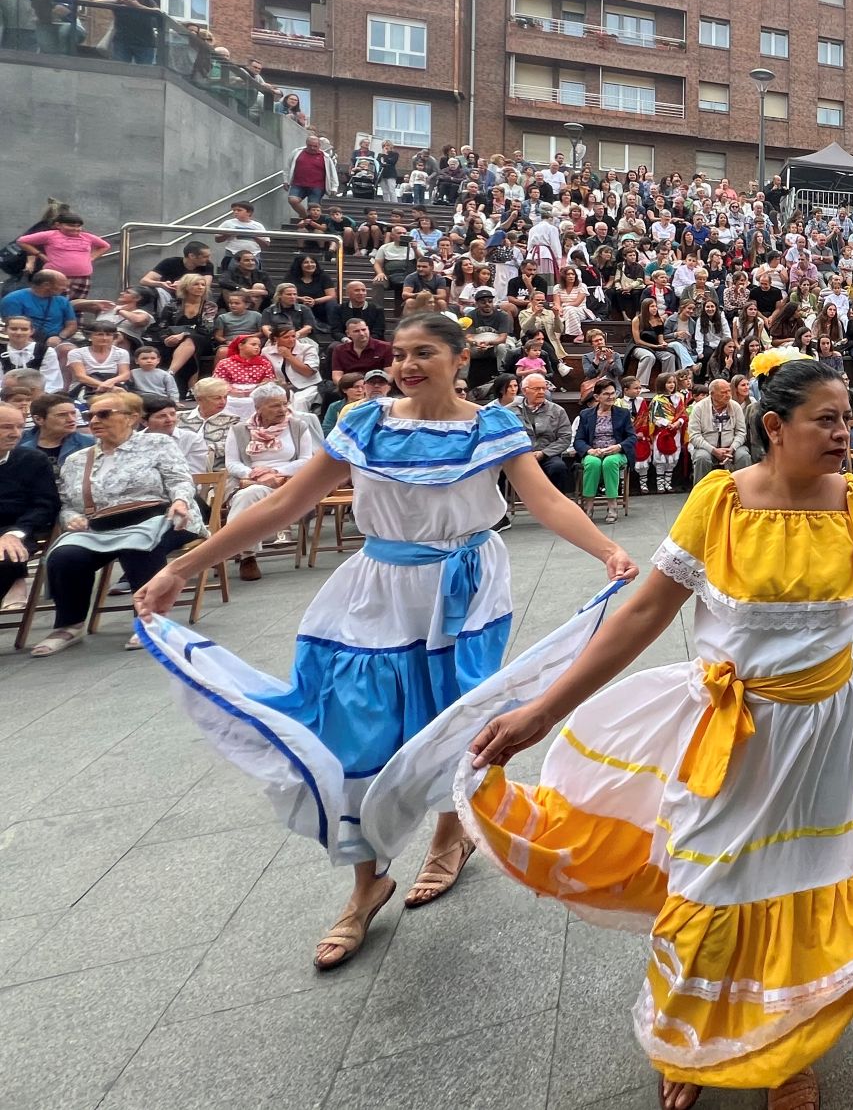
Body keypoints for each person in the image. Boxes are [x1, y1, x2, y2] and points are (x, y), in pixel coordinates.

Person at [458, 349, 853, 1110]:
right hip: (734, 734)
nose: (844, 432)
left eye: (846, 418)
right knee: (711, 881)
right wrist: (544, 710)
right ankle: (690, 1038)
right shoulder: (721, 501)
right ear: (774, 425)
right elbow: (642, 613)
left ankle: (781, 1049)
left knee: (807, 881)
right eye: (825, 420)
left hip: (830, 730)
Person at [132, 312, 639, 970]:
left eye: (423, 351)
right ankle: (365, 883)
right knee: (353, 732)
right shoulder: (364, 423)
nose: (406, 363)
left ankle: (449, 835)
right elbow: (285, 506)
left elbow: (543, 500)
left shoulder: (491, 425)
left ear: (459, 359)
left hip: (464, 590)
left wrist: (607, 550)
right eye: (400, 353)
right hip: (375, 591)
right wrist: (181, 567)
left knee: (455, 721)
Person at [29, 391, 204, 657]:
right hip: (102, 527)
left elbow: (179, 478)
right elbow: (67, 504)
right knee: (65, 555)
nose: (94, 420)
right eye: (90, 415)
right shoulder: (78, 459)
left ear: (132, 417)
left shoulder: (157, 443)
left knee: (139, 546)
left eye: (104, 414)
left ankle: (150, 620)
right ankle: (70, 625)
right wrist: (71, 519)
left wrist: (180, 501)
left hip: (161, 517)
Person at [222, 384, 324, 580]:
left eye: (284, 404)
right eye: (274, 406)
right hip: (250, 479)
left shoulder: (298, 426)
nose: (282, 410)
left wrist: (277, 472)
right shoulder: (239, 430)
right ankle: (244, 552)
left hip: (288, 480)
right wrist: (254, 475)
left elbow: (305, 460)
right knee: (250, 493)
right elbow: (232, 463)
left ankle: (238, 550)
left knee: (248, 495)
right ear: (258, 408)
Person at [0, 401, 58, 611]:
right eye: (6, 427)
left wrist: (14, 534)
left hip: (18, 530)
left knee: (8, 557)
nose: (15, 433)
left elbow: (45, 505)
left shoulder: (33, 460)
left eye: (19, 426)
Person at [17, 209, 109, 300]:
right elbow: (22, 241)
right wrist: (40, 254)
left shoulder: (87, 236)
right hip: (54, 276)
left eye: (78, 226)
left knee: (78, 305)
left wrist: (92, 257)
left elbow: (105, 246)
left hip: (82, 276)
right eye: (71, 226)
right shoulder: (50, 235)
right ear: (58, 225)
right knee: (53, 302)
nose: (76, 229)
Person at [573, 379, 632, 514]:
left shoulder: (623, 413)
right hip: (594, 452)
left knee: (609, 462)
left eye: (613, 393)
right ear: (596, 397)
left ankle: (612, 505)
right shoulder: (586, 414)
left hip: (616, 452)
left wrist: (618, 447)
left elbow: (631, 437)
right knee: (592, 463)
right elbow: (579, 440)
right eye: (606, 394)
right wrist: (590, 450)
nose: (611, 397)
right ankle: (589, 505)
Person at [686, 377, 750, 486]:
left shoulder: (735, 406)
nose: (728, 395)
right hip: (707, 447)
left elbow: (741, 432)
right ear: (712, 394)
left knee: (743, 456)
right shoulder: (699, 408)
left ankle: (745, 492)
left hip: (731, 447)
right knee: (702, 458)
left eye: (729, 391)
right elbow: (694, 435)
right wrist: (713, 450)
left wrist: (732, 448)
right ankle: (701, 494)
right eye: (723, 393)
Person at [517, 373, 575, 492]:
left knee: (558, 467)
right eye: (537, 389)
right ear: (524, 390)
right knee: (498, 468)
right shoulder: (511, 410)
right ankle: (500, 508)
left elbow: (565, 437)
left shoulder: (557, 411)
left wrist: (543, 453)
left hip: (548, 454)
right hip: (519, 456)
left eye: (544, 388)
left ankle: (558, 505)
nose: (542, 392)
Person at [0, 270, 77, 351]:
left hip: (56, 339)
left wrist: (60, 337)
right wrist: (33, 344)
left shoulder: (62, 300)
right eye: (62, 284)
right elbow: (13, 327)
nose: (65, 288)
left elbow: (72, 325)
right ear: (46, 285)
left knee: (68, 350)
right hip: (24, 338)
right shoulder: (13, 299)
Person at [30, 392, 89, 468]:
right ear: (39, 419)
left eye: (73, 413)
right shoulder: (18, 442)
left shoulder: (89, 443)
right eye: (62, 415)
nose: (71, 419)